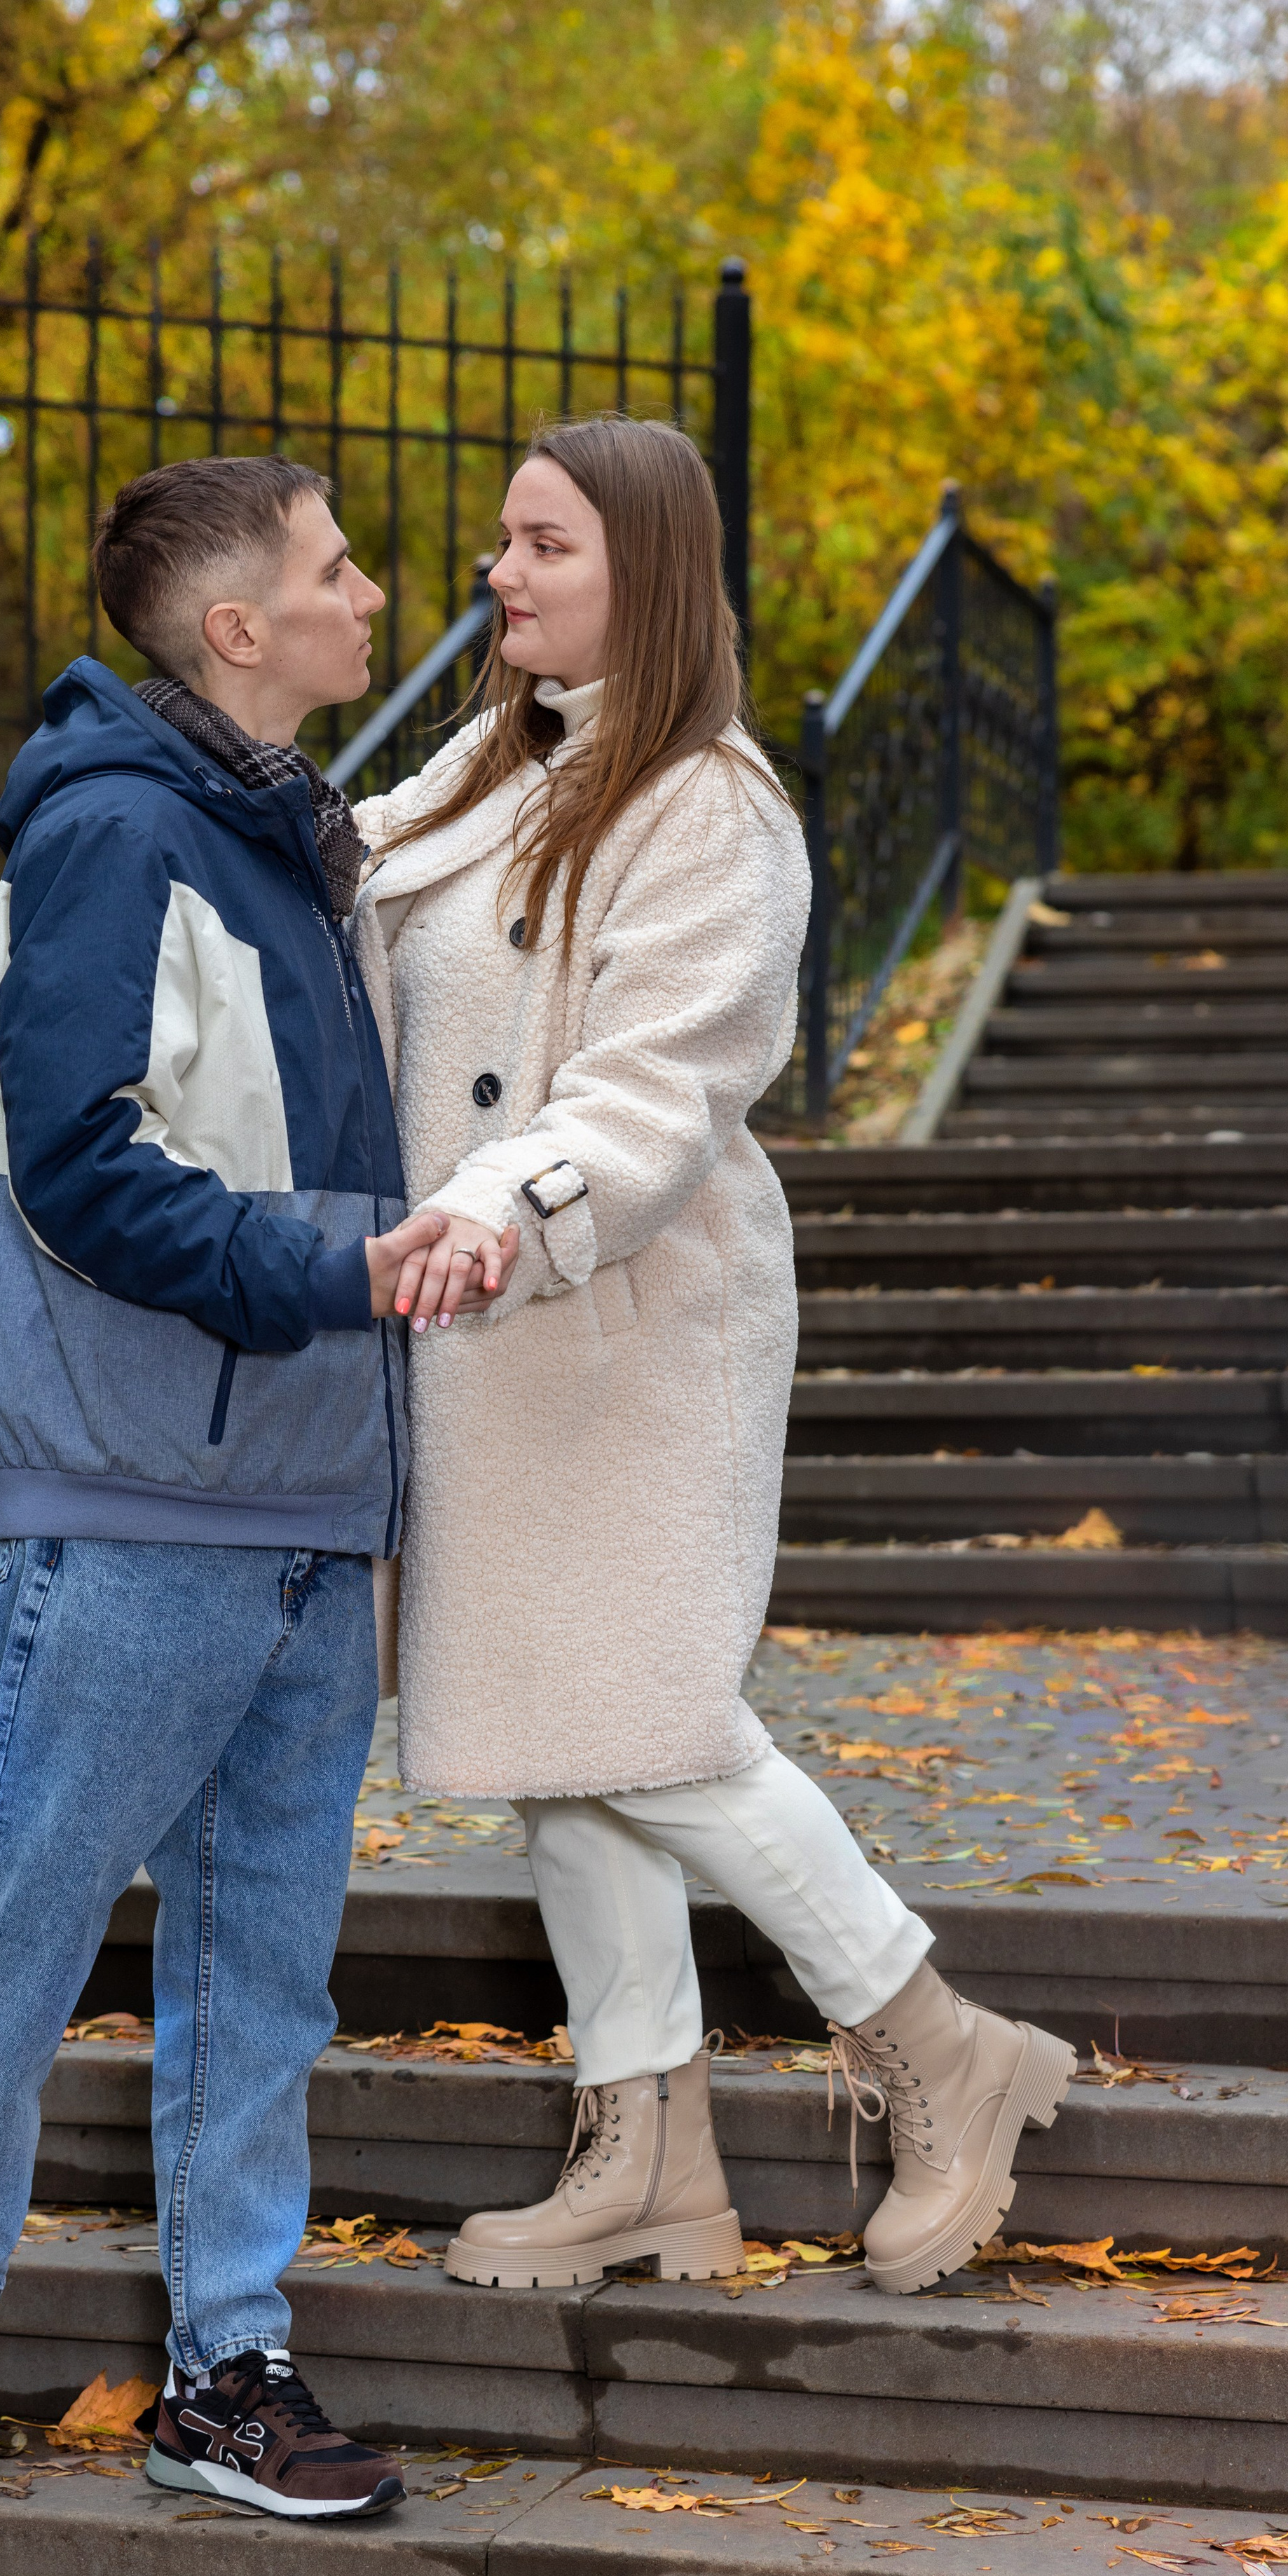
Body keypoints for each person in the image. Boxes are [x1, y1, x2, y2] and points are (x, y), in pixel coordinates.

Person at [352, 415, 1074, 2300]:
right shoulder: (503, 762)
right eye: (504, 541)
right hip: (484, 1322)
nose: (499, 572)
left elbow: (662, 1084)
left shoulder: (714, 806)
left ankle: (939, 2044)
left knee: (655, 1725)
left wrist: (507, 1203)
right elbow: (339, 866)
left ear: (644, 570)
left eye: (544, 543)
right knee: (555, 1745)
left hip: (623, 1316)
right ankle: (646, 2147)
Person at [0, 454, 469, 2519]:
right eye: (334, 569)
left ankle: (231, 2374)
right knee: (22, 1928)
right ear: (237, 629)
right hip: (137, 1508)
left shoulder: (291, 840)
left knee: (264, 1976)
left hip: (313, 1501)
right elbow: (83, 1166)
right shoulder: (120, 833)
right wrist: (334, 1262)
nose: (374, 595)